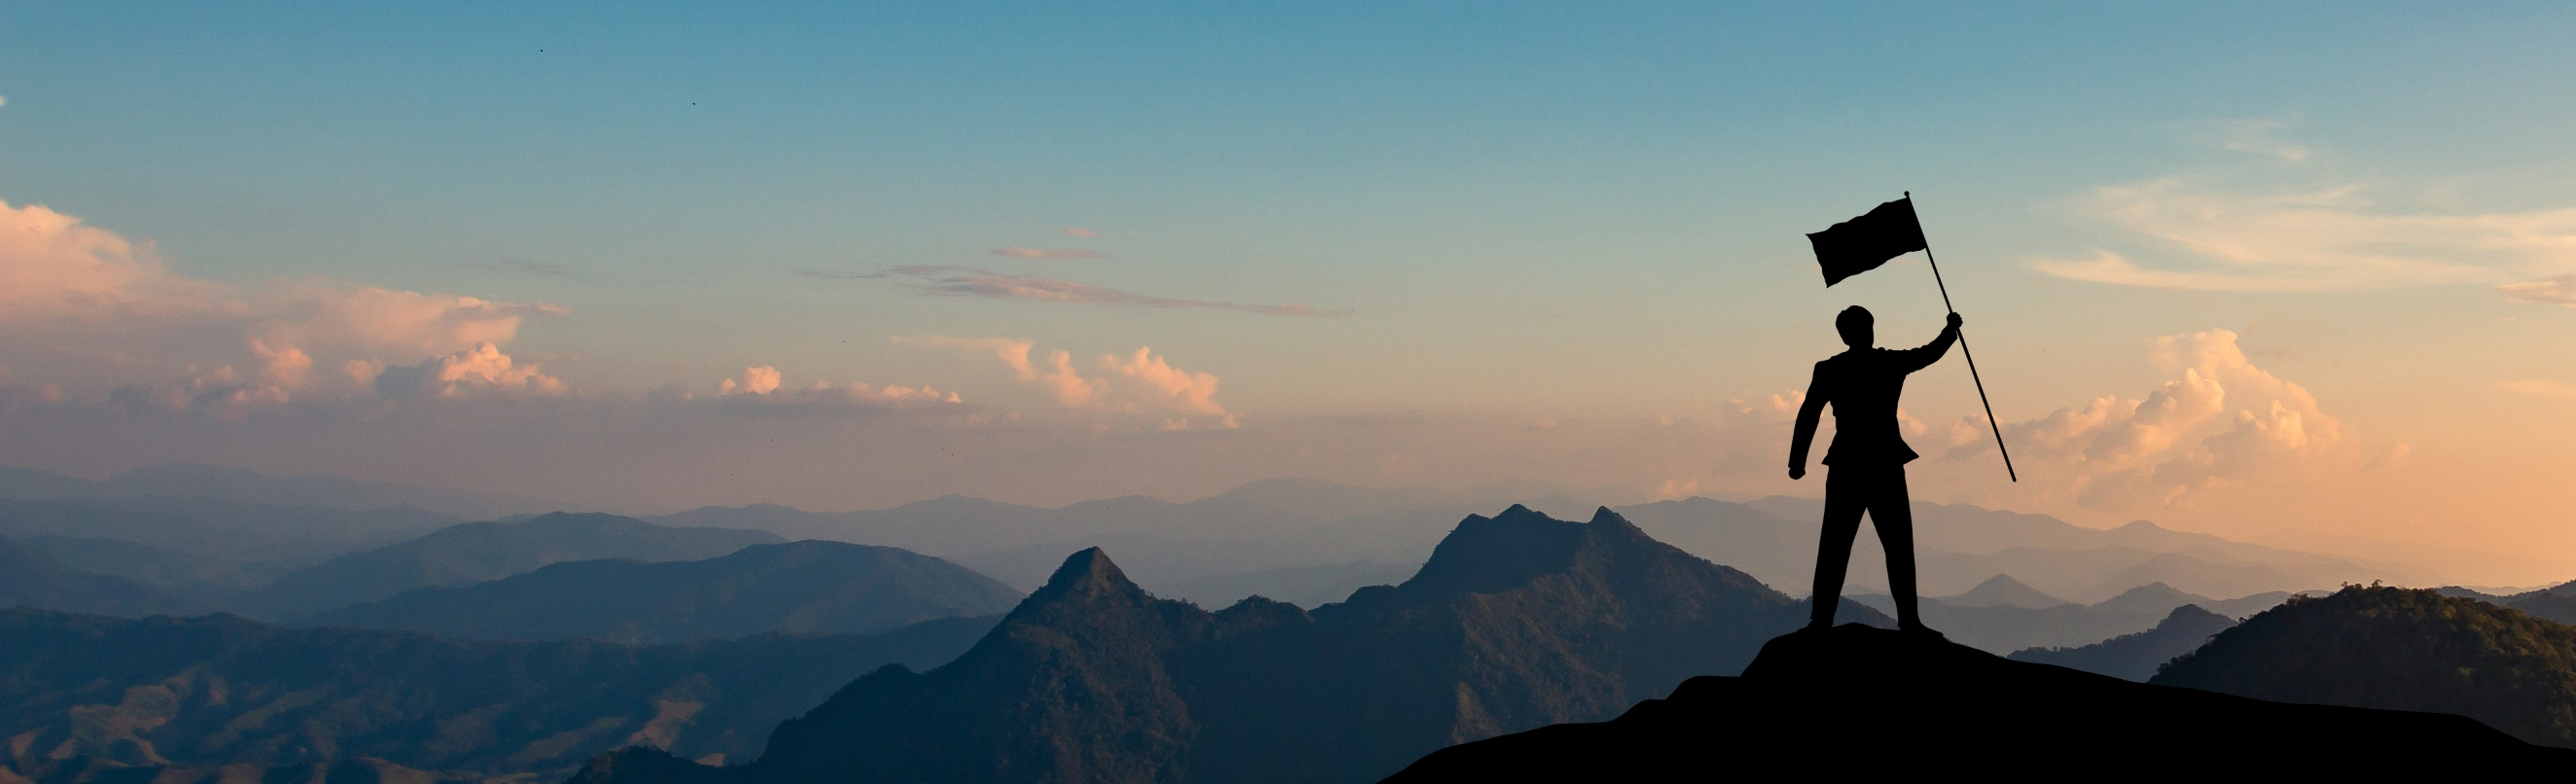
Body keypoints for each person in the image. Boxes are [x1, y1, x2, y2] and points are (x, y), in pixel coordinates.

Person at [1788, 305, 1960, 633]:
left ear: (1844, 335)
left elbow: (1808, 413)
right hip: (1884, 463)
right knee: (1896, 546)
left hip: (1848, 464)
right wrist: (1950, 330)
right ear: (1866, 330)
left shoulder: (1830, 369)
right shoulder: (1888, 362)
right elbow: (1928, 354)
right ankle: (1908, 621)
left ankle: (1821, 620)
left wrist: (1798, 461)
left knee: (1836, 546)